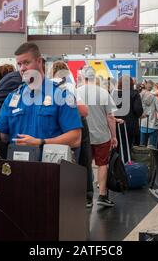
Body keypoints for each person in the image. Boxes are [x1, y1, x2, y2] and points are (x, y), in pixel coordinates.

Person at [0, 42, 82, 154]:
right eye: (19, 64)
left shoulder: (62, 95)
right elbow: (2, 134)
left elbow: (76, 138)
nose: (22, 68)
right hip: (17, 166)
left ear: (39, 61)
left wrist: (41, 142)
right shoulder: (12, 98)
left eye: (26, 63)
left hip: (49, 166)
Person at [51, 61, 93, 207]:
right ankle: (84, 196)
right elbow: (84, 111)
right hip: (71, 129)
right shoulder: (68, 86)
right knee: (81, 161)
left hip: (52, 132)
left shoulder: (46, 86)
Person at [77, 66, 118, 207]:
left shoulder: (76, 93)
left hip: (83, 136)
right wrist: (114, 136)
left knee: (85, 165)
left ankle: (86, 197)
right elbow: (110, 117)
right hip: (102, 136)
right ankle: (102, 195)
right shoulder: (103, 93)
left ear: (83, 77)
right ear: (95, 78)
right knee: (102, 164)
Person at [113, 75, 144, 154]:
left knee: (116, 147)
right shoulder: (134, 94)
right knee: (127, 147)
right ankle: (126, 164)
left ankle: (116, 164)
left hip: (115, 125)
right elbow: (138, 110)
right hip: (130, 125)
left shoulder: (114, 94)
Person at [140, 80, 158, 148]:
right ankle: (151, 158)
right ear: (153, 88)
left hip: (142, 124)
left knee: (142, 147)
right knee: (152, 148)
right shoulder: (155, 97)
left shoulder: (140, 96)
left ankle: (142, 158)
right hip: (153, 124)